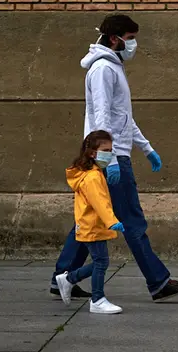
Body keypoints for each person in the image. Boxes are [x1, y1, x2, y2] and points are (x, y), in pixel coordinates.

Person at [50, 14, 178, 303]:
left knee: (90, 218)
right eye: (130, 38)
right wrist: (112, 158)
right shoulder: (104, 69)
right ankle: (158, 282)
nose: (133, 44)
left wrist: (147, 148)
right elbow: (103, 117)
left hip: (109, 155)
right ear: (115, 39)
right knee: (132, 220)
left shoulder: (112, 67)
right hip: (111, 158)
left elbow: (123, 119)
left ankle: (62, 277)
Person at [56, 130, 125, 314]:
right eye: (105, 150)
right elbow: (99, 202)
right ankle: (97, 299)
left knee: (100, 261)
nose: (109, 154)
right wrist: (112, 221)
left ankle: (69, 279)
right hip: (93, 226)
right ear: (92, 153)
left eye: (111, 150)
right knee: (101, 262)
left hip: (91, 224)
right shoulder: (93, 177)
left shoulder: (92, 173)